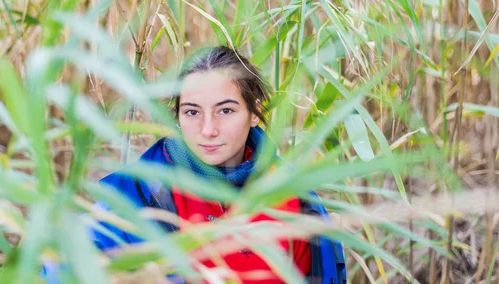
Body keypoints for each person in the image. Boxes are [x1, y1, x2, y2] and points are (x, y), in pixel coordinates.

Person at [42, 46, 346, 283]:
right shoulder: (143, 192)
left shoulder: (293, 196)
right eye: (192, 112)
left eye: (225, 111)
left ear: (255, 113)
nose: (208, 129)